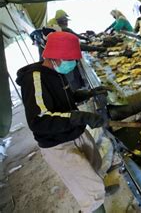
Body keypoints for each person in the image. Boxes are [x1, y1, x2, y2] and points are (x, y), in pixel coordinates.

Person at [16, 32, 116, 213]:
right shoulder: (35, 79)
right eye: (71, 60)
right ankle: (95, 206)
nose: (74, 64)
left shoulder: (56, 71)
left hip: (75, 132)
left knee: (94, 167)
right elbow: (40, 120)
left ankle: (98, 193)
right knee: (88, 191)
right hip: (59, 144)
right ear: (55, 57)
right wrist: (81, 117)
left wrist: (88, 93)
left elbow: (66, 99)